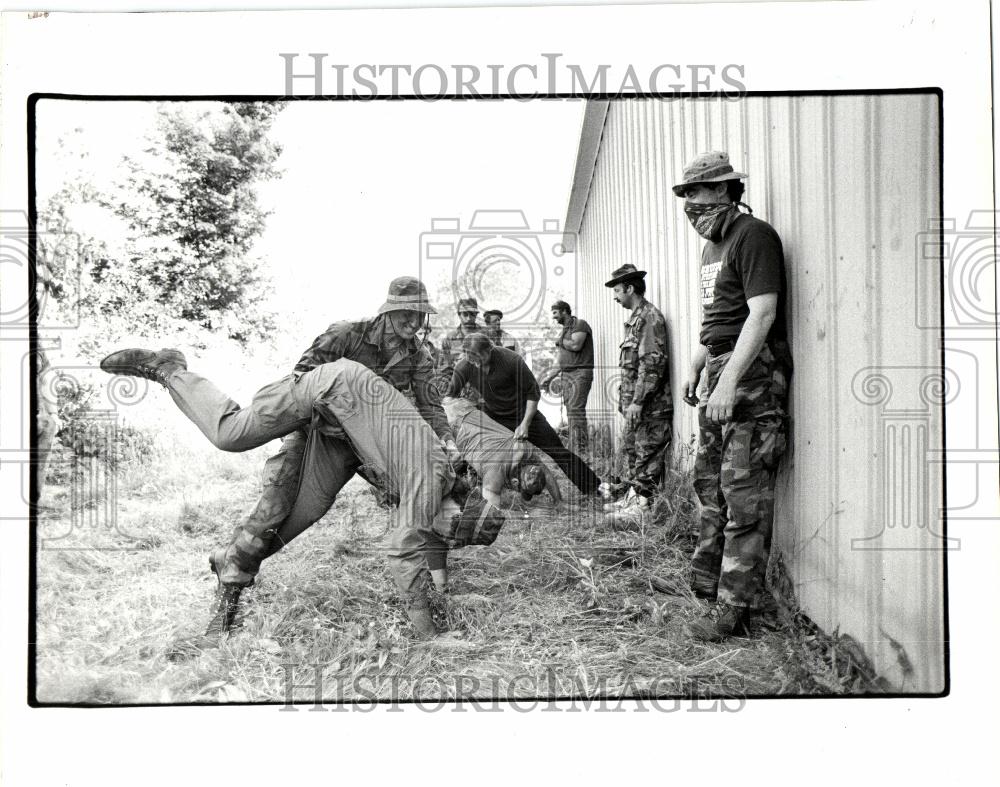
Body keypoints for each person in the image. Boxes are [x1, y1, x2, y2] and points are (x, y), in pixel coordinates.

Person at [100, 276, 460, 636]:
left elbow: (430, 407)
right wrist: (337, 413)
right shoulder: (348, 333)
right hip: (311, 424)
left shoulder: (418, 356)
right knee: (254, 478)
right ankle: (171, 370)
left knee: (306, 514)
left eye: (419, 316)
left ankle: (231, 560)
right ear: (389, 310)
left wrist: (444, 439)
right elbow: (303, 378)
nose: (412, 324)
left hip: (353, 445)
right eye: (405, 315)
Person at [672, 150, 792, 641]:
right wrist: (700, 367)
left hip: (752, 373)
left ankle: (735, 609)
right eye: (685, 195)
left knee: (742, 494)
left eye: (695, 193)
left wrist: (728, 381)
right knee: (709, 484)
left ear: (723, 189)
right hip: (721, 365)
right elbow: (718, 320)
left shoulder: (754, 236)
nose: (688, 204)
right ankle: (705, 584)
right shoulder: (711, 248)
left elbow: (760, 315)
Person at [446, 333, 602, 497]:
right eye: (469, 357)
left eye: (477, 356)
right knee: (481, 455)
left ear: (489, 349)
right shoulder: (464, 365)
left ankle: (594, 489)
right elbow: (450, 396)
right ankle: (478, 494)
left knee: (558, 451)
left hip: (526, 414)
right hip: (495, 419)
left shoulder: (511, 360)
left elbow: (532, 393)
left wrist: (525, 424)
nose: (473, 361)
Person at [604, 264, 673, 518]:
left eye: (618, 290)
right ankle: (633, 500)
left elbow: (651, 364)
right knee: (635, 454)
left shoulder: (648, 318)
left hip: (651, 407)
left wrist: (639, 401)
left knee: (647, 456)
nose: (615, 296)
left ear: (630, 288)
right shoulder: (634, 321)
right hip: (638, 406)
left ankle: (642, 507)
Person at [444, 396, 562, 509]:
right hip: (451, 423)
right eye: (519, 490)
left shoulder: (525, 450)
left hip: (464, 407)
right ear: (515, 483)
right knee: (445, 469)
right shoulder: (496, 472)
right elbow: (489, 507)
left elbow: (546, 473)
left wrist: (558, 501)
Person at [540, 300, 595, 455]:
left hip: (580, 373)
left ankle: (582, 450)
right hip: (567, 374)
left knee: (576, 410)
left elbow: (576, 345)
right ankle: (575, 448)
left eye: (555, 313)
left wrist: (560, 341)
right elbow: (561, 360)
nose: (554, 317)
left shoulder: (580, 325)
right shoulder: (564, 330)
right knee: (570, 411)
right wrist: (550, 378)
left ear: (564, 311)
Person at [436, 297, 483, 400]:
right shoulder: (449, 339)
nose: (469, 318)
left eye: (472, 314)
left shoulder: (486, 336)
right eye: (465, 314)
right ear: (459, 314)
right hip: (459, 394)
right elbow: (444, 370)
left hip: (484, 393)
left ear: (476, 315)